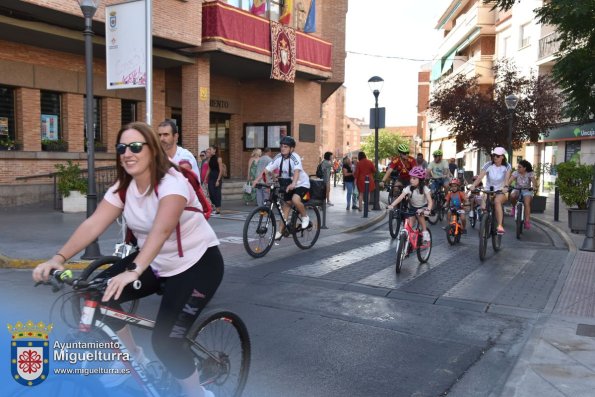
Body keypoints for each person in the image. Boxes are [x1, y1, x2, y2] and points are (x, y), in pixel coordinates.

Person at [32, 122, 220, 397]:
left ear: (153, 150)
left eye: (135, 147)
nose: (127, 153)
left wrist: (133, 270)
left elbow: (162, 230)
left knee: (167, 342)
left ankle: (198, 393)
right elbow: (94, 224)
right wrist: (58, 258)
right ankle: (134, 357)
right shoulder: (124, 187)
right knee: (97, 293)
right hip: (154, 263)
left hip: (197, 264)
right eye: (122, 147)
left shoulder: (172, 182)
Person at [254, 136, 310, 240]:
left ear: (291, 149)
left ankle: (305, 216)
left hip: (301, 183)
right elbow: (266, 170)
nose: (282, 148)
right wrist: (256, 180)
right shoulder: (278, 157)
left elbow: (297, 172)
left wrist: (293, 184)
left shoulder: (295, 157)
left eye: (285, 146)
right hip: (288, 184)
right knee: (286, 207)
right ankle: (280, 231)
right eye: (281, 146)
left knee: (295, 199)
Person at [469, 146, 512, 235]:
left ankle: (500, 226)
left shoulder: (507, 166)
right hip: (488, 189)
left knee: (497, 202)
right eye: (494, 155)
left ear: (502, 157)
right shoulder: (488, 165)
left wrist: (506, 187)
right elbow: (480, 177)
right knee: (483, 206)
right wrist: (473, 185)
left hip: (501, 190)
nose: (495, 157)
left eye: (497, 156)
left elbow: (507, 178)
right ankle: (485, 221)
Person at [387, 166, 433, 242]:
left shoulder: (424, 188)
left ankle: (425, 232)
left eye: (414, 178)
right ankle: (407, 244)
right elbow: (400, 198)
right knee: (409, 225)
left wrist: (428, 209)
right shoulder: (408, 188)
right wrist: (392, 205)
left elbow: (430, 201)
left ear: (420, 180)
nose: (411, 180)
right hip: (412, 208)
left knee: (419, 214)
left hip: (423, 207)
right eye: (411, 178)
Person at [507, 159, 536, 229]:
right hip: (517, 189)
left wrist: (534, 186)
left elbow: (534, 182)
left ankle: (527, 221)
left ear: (524, 168)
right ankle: (514, 207)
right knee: (512, 195)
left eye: (520, 167)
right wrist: (507, 186)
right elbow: (510, 181)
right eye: (518, 167)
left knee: (527, 203)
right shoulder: (516, 173)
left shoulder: (530, 173)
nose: (518, 168)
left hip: (527, 190)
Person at [205, 145, 224, 214]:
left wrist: (218, 180)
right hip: (211, 177)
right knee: (211, 192)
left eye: (211, 149)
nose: (209, 150)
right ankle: (214, 206)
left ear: (215, 150)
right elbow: (209, 169)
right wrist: (205, 178)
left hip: (217, 177)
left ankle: (218, 209)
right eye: (209, 149)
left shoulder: (219, 158)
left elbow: (221, 170)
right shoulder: (209, 158)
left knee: (217, 193)